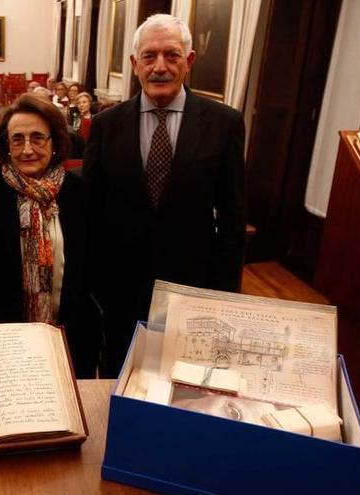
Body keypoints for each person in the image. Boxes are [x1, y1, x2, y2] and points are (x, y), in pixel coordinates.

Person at [84, 14, 246, 377]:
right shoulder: (107, 125)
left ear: (188, 61)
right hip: (119, 288)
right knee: (121, 376)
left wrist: (222, 295)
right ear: (134, 64)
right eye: (149, 56)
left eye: (171, 55)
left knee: (186, 381)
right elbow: (91, 210)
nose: (160, 67)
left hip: (193, 286)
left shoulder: (225, 124)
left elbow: (234, 219)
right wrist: (94, 285)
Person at [0, 95, 100, 377]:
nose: (27, 149)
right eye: (17, 139)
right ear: (6, 146)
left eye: (38, 138)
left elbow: (92, 270)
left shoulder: (79, 194)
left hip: (69, 342)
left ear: (55, 142)